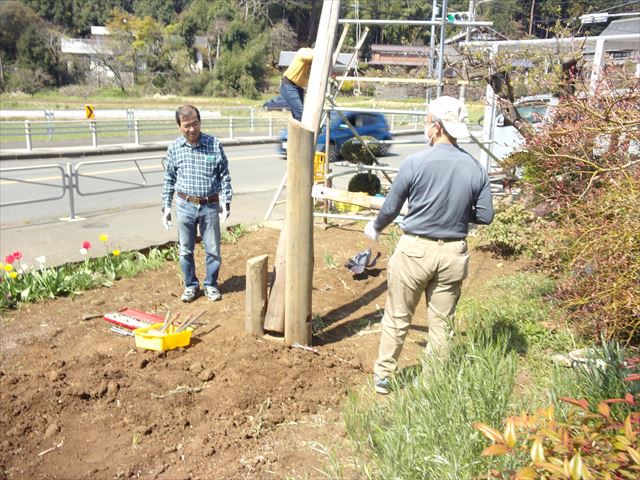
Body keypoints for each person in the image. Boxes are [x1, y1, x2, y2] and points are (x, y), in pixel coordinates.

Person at [364, 96, 494, 395]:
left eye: (426, 122)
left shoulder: (416, 162)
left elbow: (392, 206)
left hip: (414, 250)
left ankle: (384, 376)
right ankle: (433, 382)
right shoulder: (475, 168)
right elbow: (486, 216)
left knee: (398, 316)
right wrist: (461, 212)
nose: (425, 127)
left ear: (436, 128)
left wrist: (376, 227)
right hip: (452, 253)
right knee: (442, 323)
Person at [161, 105, 233, 303]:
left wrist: (226, 201)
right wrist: (166, 206)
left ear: (200, 123)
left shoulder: (213, 144)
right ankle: (191, 286)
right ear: (179, 126)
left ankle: (211, 284)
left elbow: (224, 174)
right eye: (186, 126)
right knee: (185, 250)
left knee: (213, 250)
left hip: (209, 205)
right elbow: (169, 178)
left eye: (195, 124)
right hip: (185, 204)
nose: (191, 129)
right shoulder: (175, 148)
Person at [280, 47, 314, 121]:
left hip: (299, 88)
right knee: (301, 115)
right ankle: (301, 131)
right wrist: (319, 53)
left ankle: (296, 131)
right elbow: (308, 56)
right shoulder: (303, 51)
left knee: (299, 116)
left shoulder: (315, 59)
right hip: (289, 85)